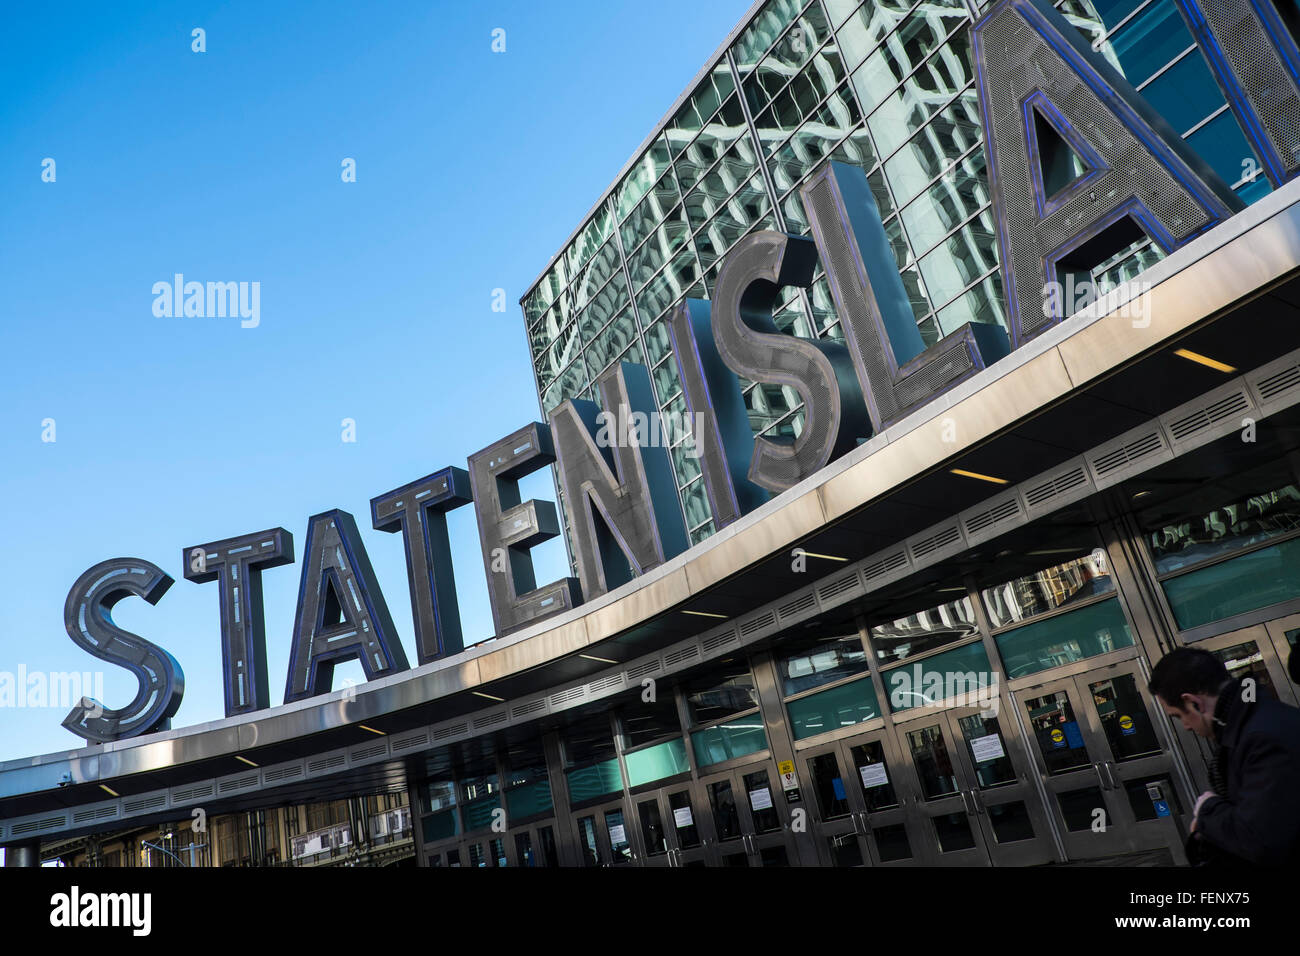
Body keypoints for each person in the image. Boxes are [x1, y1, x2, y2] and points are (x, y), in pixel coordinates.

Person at [1148, 646, 1300, 866]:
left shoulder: (1260, 739)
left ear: (1193, 703)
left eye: (1179, 716)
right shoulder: (1259, 721)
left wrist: (1207, 810)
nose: (1186, 726)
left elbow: (1260, 840)